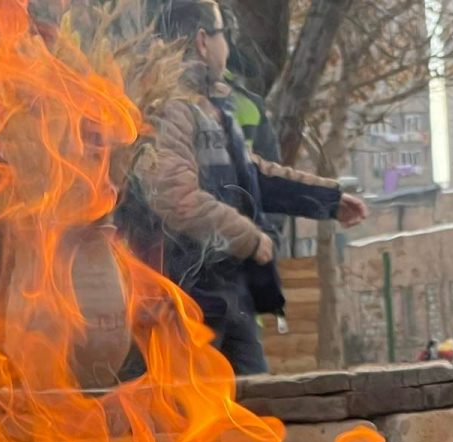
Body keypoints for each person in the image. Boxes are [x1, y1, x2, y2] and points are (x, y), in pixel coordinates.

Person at [124, 0, 366, 376]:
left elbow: (252, 174)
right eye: (224, 35)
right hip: (184, 301)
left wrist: (327, 200)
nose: (229, 46)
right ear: (203, 41)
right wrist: (250, 238)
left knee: (256, 414)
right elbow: (176, 198)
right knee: (186, 421)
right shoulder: (166, 107)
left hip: (226, 297)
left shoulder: (208, 107)